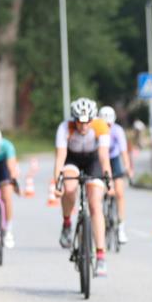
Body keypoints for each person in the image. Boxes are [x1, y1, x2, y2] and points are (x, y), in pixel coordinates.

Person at [52, 98, 114, 276]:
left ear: (92, 119)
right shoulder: (65, 127)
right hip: (72, 159)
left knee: (95, 204)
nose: (84, 126)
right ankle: (67, 223)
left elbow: (104, 156)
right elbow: (60, 157)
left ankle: (100, 256)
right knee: (70, 188)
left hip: (92, 161)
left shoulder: (100, 126)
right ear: (74, 119)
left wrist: (108, 179)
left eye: (87, 122)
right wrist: (57, 182)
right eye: (80, 122)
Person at [99, 105, 133, 244]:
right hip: (100, 159)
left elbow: (124, 151)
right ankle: (99, 221)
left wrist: (128, 167)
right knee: (99, 190)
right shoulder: (96, 129)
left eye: (109, 124)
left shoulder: (117, 130)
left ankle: (121, 227)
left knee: (119, 192)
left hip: (113, 159)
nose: (107, 127)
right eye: (104, 124)